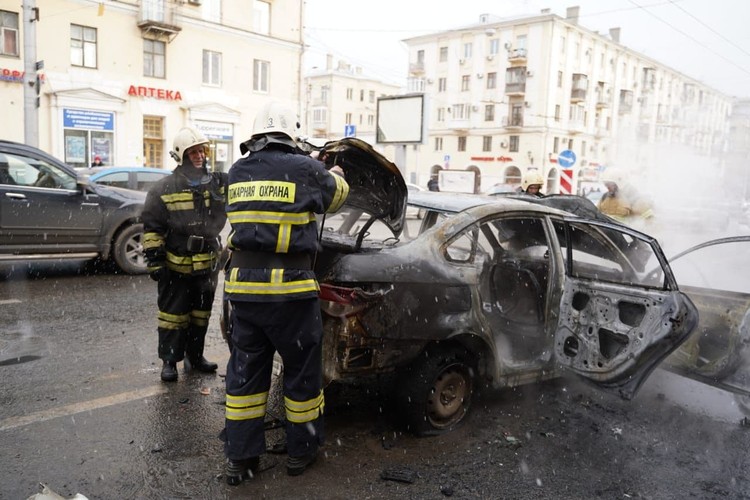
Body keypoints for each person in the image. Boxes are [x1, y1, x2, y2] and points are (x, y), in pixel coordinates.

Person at [222, 101, 349, 485]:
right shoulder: (307, 170)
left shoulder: (237, 171)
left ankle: (241, 459)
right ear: (291, 136)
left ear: (256, 136)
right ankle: (301, 453)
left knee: (245, 377)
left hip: (243, 292)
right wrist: (332, 170)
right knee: (300, 377)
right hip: (291, 295)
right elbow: (338, 195)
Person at [141, 127, 228, 382]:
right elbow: (152, 228)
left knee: (201, 316)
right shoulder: (163, 189)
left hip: (206, 266)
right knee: (172, 316)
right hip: (175, 266)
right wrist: (156, 261)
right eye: (193, 152)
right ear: (181, 155)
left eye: (202, 150)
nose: (199, 156)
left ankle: (195, 357)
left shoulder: (216, 183)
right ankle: (169, 362)